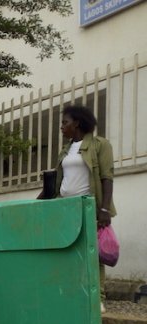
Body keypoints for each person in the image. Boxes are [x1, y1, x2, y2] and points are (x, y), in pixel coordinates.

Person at [41, 104, 116, 313]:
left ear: (77, 123)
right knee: (68, 250)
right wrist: (40, 201)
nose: (61, 127)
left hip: (89, 206)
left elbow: (107, 177)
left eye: (65, 122)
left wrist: (104, 209)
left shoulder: (100, 145)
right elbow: (59, 180)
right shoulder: (65, 150)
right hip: (65, 207)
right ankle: (73, 292)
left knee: (93, 253)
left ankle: (97, 297)